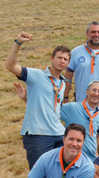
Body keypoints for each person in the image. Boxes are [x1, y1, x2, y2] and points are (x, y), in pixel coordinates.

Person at [6, 32, 70, 168]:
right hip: (38, 134)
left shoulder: (62, 83)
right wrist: (18, 42)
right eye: (59, 57)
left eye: (65, 59)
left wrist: (26, 99)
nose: (62, 61)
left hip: (58, 133)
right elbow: (10, 66)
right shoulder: (36, 75)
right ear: (51, 58)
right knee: (39, 174)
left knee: (59, 172)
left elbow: (47, 106)